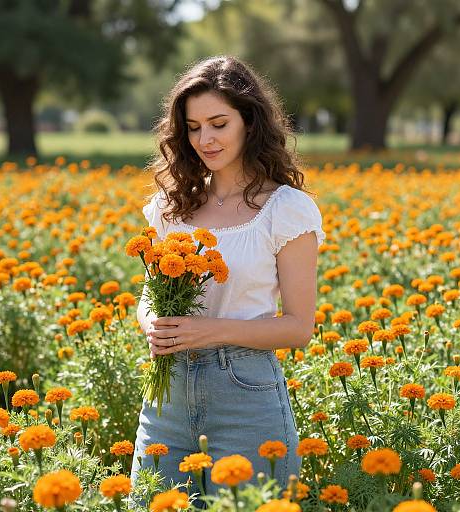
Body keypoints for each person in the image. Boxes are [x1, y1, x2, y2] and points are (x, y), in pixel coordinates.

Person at [130, 55, 326, 506]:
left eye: (219, 123)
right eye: (194, 127)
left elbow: (298, 327)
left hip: (245, 394)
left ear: (249, 122)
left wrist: (207, 331)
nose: (206, 139)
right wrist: (151, 323)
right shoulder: (170, 206)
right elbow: (148, 291)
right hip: (166, 396)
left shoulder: (285, 209)